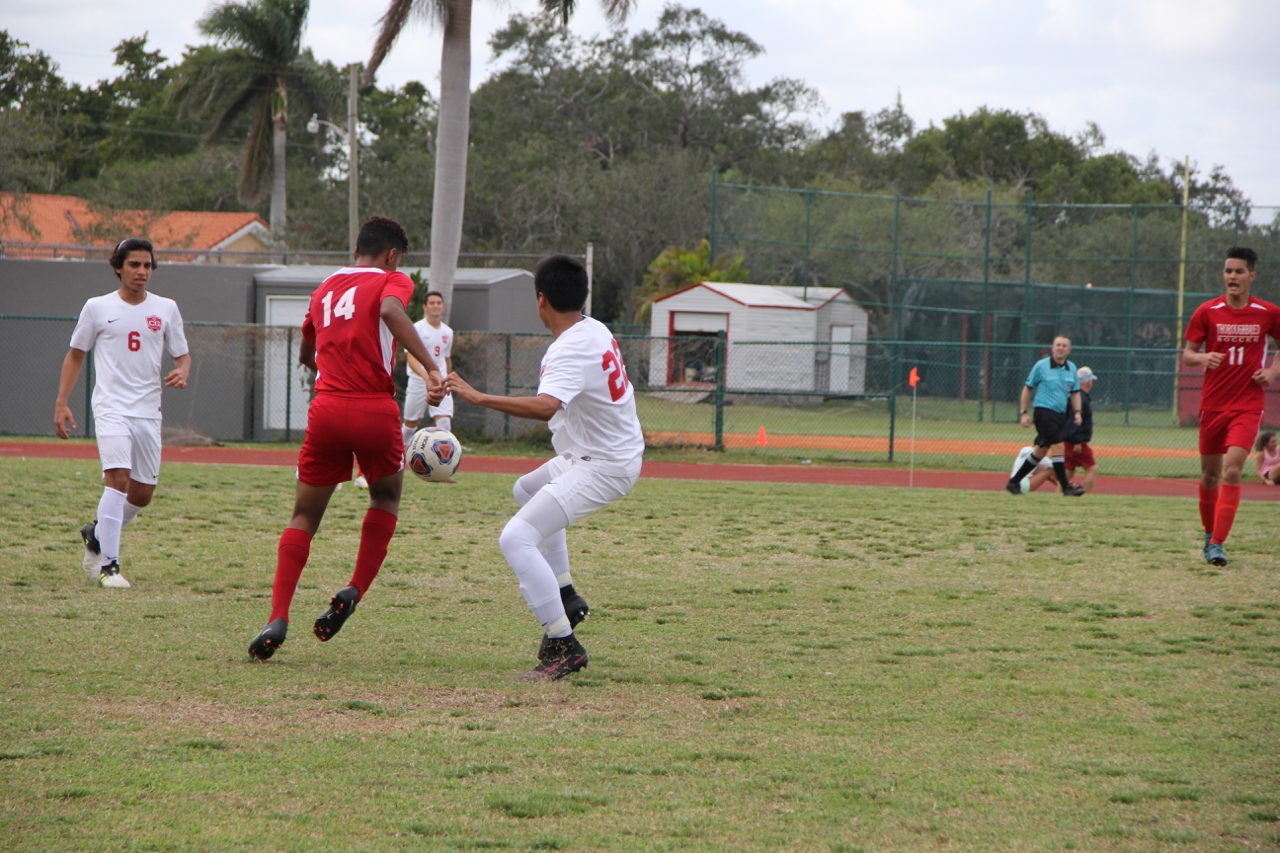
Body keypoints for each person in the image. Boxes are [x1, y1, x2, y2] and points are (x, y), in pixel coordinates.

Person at [248, 216, 445, 660]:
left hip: (327, 408)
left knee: (303, 516)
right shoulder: (391, 281)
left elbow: (305, 350)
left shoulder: (324, 288)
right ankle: (355, 587)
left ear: (356, 249)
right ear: (392, 256)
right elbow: (392, 312)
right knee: (385, 498)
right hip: (374, 408)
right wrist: (432, 367)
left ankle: (277, 616)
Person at [445, 254, 645, 681]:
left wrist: (478, 397)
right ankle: (566, 594)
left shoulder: (570, 346)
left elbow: (545, 407)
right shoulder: (593, 328)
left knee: (515, 538)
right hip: (597, 453)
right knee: (525, 490)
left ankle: (562, 644)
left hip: (604, 465)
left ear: (541, 300)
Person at [54, 238, 191, 589]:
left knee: (142, 495)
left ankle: (96, 534)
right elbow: (75, 355)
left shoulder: (166, 308)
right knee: (117, 480)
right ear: (118, 267)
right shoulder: (97, 307)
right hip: (111, 407)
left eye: (147, 265)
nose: (142, 271)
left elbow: (182, 355)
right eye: (134, 265)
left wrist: (183, 370)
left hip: (148, 410)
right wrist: (62, 402)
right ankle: (109, 566)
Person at [1184, 246, 1280, 566]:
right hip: (1212, 404)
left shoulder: (1268, 313)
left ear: (1251, 276)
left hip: (1247, 404)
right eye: (1228, 271)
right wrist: (1202, 357)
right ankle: (1208, 532)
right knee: (1210, 475)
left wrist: (1272, 371)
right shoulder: (1207, 311)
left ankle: (1217, 544)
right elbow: (1188, 354)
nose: (1232, 277)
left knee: (1234, 471)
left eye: (1239, 271)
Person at [1005, 335, 1086, 497]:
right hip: (1044, 413)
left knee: (1040, 452)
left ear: (1069, 350)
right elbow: (1027, 388)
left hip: (1060, 416)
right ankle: (1066, 487)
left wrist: (1077, 412)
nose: (1060, 348)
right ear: (1052, 347)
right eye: (1058, 345)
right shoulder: (1041, 366)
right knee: (1059, 447)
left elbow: (1075, 393)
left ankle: (1013, 483)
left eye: (1064, 345)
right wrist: (1023, 413)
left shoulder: (1072, 368)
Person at [402, 290, 455, 442]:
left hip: (440, 383)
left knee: (444, 423)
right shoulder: (417, 328)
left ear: (443, 307)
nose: (436, 306)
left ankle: (440, 462)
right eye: (432, 303)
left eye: (439, 303)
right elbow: (411, 359)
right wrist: (427, 377)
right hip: (419, 382)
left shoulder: (448, 332)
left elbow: (446, 359)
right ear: (425, 307)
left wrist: (446, 380)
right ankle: (399, 459)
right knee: (410, 426)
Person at [1062, 365, 1099, 493]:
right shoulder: (1081, 399)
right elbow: (1075, 420)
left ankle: (1059, 494)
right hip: (1076, 441)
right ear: (1089, 382)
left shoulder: (1075, 396)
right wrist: (1077, 440)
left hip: (1068, 439)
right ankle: (1087, 495)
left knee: (1069, 470)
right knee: (1091, 468)